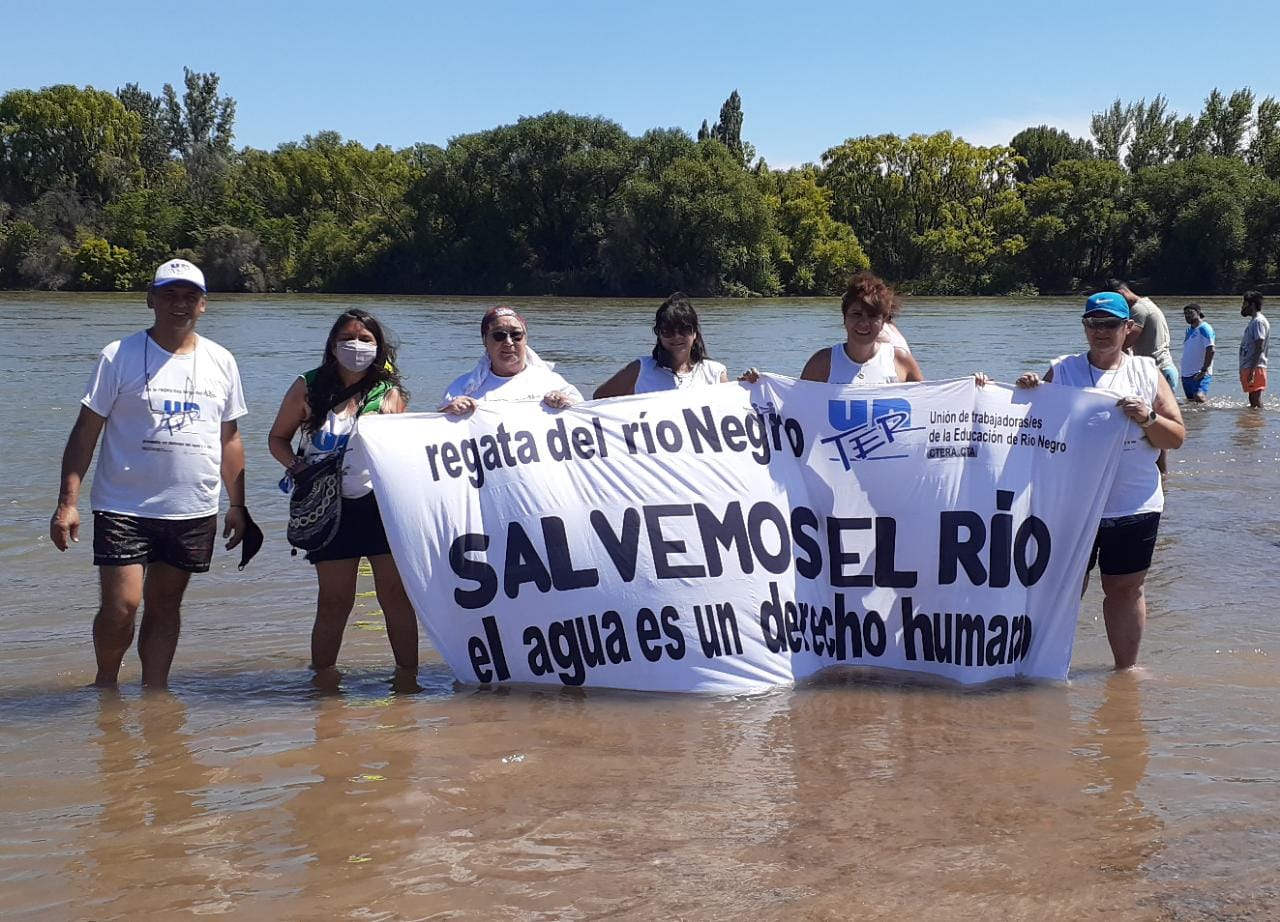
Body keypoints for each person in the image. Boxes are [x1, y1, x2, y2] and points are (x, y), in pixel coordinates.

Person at [49, 258, 251, 687]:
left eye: (189, 297)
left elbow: (229, 438)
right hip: (123, 505)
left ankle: (155, 693)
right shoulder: (117, 355)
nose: (180, 304)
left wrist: (238, 505)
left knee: (165, 605)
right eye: (169, 295)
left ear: (203, 306)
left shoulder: (222, 361)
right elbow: (86, 432)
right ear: (150, 300)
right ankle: (105, 685)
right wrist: (67, 503)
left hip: (192, 509)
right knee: (123, 605)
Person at [1015, 291, 1185, 670]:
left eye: (1110, 324)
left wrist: (1147, 419)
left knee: (1124, 589)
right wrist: (1025, 394)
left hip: (1133, 505)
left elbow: (1175, 436)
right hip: (1071, 505)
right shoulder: (1062, 371)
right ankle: (1045, 667)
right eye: (1094, 323)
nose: (1101, 331)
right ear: (1085, 327)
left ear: (1129, 329)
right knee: (1062, 589)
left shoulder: (1146, 372)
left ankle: (1126, 674)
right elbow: (1027, 431)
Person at [267, 309, 418, 680]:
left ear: (379, 347)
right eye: (348, 338)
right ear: (333, 346)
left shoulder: (389, 390)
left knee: (396, 598)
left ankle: (408, 680)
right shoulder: (309, 386)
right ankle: (322, 682)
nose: (357, 346)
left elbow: (407, 447)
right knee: (334, 601)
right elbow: (277, 439)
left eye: (366, 339)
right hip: (328, 506)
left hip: (380, 506)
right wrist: (298, 469)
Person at [440, 306, 583, 414]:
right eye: (499, 336)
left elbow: (585, 419)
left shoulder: (553, 383)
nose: (508, 342)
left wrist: (566, 402)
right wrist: (448, 413)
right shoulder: (462, 388)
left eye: (516, 335)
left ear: (525, 339)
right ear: (485, 341)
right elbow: (434, 434)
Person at [593, 292, 728, 398]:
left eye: (684, 329)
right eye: (668, 331)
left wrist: (748, 384)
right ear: (658, 334)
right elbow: (598, 399)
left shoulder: (714, 372)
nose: (676, 336)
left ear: (695, 333)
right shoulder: (640, 369)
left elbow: (734, 412)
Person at [800, 271, 924, 384]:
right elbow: (795, 406)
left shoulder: (901, 361)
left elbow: (926, 404)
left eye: (872, 316)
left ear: (883, 321)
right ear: (844, 318)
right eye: (856, 314)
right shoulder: (821, 363)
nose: (864, 323)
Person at [1109, 279, 1178, 393]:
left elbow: (1125, 343)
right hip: (1164, 367)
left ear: (1120, 293)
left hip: (1158, 370)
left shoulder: (1139, 309)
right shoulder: (1147, 304)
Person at [1239, 290, 1270, 409]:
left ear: (1251, 305)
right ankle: (1253, 424)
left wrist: (1252, 370)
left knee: (1255, 398)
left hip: (1255, 366)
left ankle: (1258, 424)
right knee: (1252, 398)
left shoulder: (1258, 322)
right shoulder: (1254, 321)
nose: (1242, 307)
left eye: (1244, 303)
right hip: (1250, 365)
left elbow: (1259, 346)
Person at [1179, 304, 1215, 403]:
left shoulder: (1205, 328)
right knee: (1190, 403)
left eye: (1190, 313)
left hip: (1199, 373)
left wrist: (1204, 370)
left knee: (1199, 398)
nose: (1187, 316)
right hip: (1186, 373)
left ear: (1198, 313)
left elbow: (1211, 349)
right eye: (1185, 314)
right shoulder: (1188, 330)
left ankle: (1209, 416)